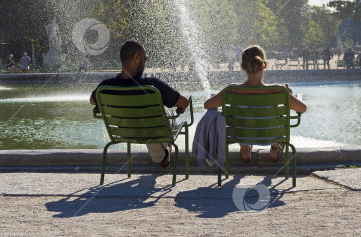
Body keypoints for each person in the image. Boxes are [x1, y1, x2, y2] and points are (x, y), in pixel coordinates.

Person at [90, 40, 190, 168]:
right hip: (149, 130)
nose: (145, 62)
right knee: (165, 112)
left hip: (124, 133)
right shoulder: (152, 85)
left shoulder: (106, 86)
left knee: (154, 116)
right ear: (136, 58)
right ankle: (163, 152)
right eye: (144, 58)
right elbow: (184, 102)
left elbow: (92, 101)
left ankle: (162, 154)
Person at [204, 45, 306, 163]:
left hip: (242, 135)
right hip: (270, 136)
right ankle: (274, 148)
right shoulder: (278, 90)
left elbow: (207, 105)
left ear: (242, 67)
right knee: (276, 120)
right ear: (264, 65)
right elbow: (302, 108)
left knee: (241, 120)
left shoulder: (231, 90)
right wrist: (289, 96)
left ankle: (244, 149)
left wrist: (216, 97)